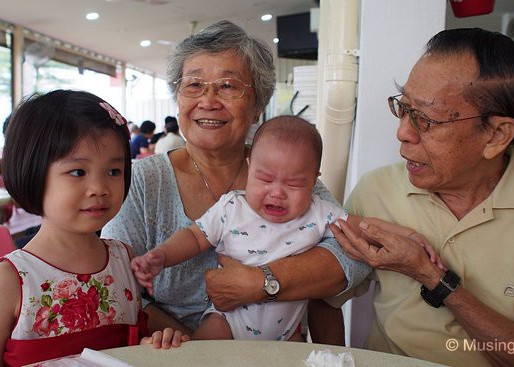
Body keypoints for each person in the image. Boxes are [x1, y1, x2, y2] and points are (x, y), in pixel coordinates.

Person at [101, 20, 381, 340]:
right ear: (178, 98)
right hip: (173, 351)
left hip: (274, 350)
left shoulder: (287, 177)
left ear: (257, 106)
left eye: (228, 86)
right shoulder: (142, 183)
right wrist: (199, 351)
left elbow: (351, 260)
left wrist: (259, 283)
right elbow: (118, 287)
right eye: (194, 85)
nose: (208, 100)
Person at [330, 28, 514, 366]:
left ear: (497, 135)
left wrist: (431, 276)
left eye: (425, 119)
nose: (402, 133)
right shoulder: (376, 190)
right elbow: (326, 297)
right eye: (404, 107)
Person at [131, 116, 430, 341]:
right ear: (250, 167)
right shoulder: (231, 208)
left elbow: (362, 227)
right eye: (264, 179)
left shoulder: (318, 212)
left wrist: (407, 236)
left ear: (314, 180)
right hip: (227, 322)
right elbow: (195, 237)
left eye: (293, 184)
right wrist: (161, 256)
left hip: (288, 331)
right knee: (204, 355)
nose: (276, 192)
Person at [0, 90, 186, 367]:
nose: (100, 189)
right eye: (78, 172)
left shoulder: (123, 258)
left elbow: (127, 344)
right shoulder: (10, 280)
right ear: (33, 172)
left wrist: (153, 343)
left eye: (114, 171)